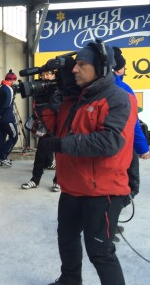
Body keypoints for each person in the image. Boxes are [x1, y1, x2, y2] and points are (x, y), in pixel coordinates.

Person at [37, 41, 137, 285]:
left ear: (100, 67)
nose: (74, 70)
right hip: (72, 187)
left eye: (82, 65)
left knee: (100, 251)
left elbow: (110, 141)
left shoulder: (118, 98)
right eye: (76, 64)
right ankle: (70, 280)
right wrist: (43, 103)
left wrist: (62, 145)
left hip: (103, 190)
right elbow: (57, 129)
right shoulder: (74, 99)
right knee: (67, 239)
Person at [112, 46, 150, 242]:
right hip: (123, 148)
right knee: (130, 186)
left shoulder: (93, 87)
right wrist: (143, 148)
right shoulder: (123, 90)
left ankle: (104, 222)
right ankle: (106, 224)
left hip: (104, 149)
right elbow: (132, 123)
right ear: (119, 69)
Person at [21, 70, 59, 191]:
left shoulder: (60, 89)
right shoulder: (39, 90)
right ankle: (35, 180)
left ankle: (58, 182)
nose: (45, 77)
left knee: (61, 156)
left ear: (54, 75)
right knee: (40, 154)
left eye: (48, 74)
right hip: (46, 128)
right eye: (43, 75)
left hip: (60, 127)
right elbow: (36, 107)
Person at [0, 69, 18, 167]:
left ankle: (3, 158)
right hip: (7, 118)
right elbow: (7, 105)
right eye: (14, 80)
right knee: (14, 136)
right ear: (12, 80)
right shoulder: (9, 89)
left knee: (1, 139)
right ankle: (2, 156)